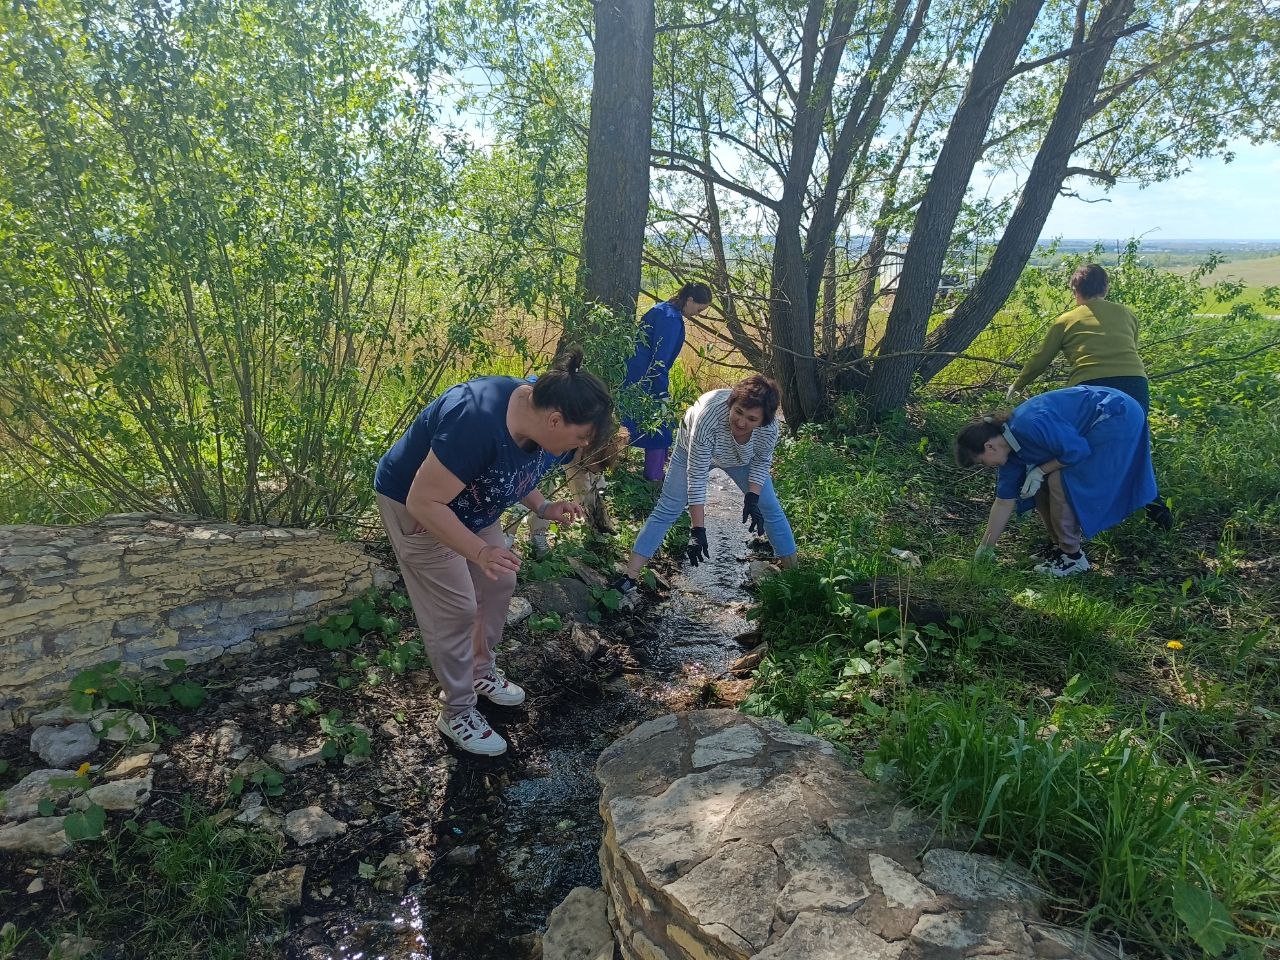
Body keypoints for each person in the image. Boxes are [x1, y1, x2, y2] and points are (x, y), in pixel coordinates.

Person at [373, 350, 613, 756]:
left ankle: (479, 671)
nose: (582, 447)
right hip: (419, 506)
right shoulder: (476, 421)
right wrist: (479, 550)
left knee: (499, 581)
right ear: (555, 420)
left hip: (472, 500)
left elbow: (514, 469)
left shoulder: (541, 413)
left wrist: (542, 506)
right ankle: (457, 711)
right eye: (582, 437)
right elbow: (424, 501)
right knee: (456, 608)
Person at [1007, 263, 1173, 529]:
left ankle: (1076, 517)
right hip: (1134, 384)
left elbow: (1040, 360)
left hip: (1091, 389)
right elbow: (1130, 347)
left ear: (1075, 290)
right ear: (1106, 287)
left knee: (1081, 451)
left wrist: (1017, 384)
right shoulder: (1127, 313)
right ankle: (1155, 510)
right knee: (1134, 447)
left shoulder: (1065, 321)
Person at [613, 374, 798, 594]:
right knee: (668, 507)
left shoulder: (769, 429)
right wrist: (698, 530)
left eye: (751, 419)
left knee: (770, 508)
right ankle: (629, 577)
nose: (741, 422)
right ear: (730, 404)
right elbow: (697, 476)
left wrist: (752, 497)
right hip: (690, 450)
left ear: (763, 421)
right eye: (738, 412)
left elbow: (761, 461)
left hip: (741, 459)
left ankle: (795, 577)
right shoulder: (708, 417)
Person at [956, 385, 1157, 577]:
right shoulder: (1010, 456)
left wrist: (1040, 470)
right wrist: (986, 547)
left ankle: (1073, 558)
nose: (986, 466)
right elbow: (1003, 502)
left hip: (1118, 413)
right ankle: (1060, 547)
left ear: (989, 447)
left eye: (981, 461)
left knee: (1059, 480)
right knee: (1039, 482)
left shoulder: (1030, 424)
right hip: (1102, 418)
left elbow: (1077, 451)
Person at [621, 282, 713, 482]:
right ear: (690, 300)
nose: (697, 314)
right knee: (660, 427)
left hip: (633, 376)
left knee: (631, 422)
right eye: (698, 309)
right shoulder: (670, 319)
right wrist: (662, 393)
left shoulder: (662, 309)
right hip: (645, 380)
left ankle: (647, 471)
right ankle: (654, 476)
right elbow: (659, 361)